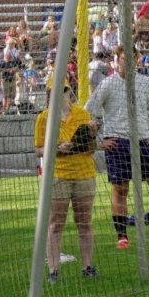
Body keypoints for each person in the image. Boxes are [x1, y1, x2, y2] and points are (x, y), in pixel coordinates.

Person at [85, 47, 149, 248]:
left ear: (137, 60)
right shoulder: (107, 84)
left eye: (131, 59)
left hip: (142, 140)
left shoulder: (145, 83)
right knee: (120, 188)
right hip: (117, 141)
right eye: (122, 59)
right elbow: (89, 113)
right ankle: (122, 237)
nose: (127, 63)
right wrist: (100, 140)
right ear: (116, 61)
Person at [34, 83, 98, 282]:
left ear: (69, 92)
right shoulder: (44, 117)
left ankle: (87, 266)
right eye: (54, 91)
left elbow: (92, 147)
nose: (60, 94)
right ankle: (53, 270)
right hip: (58, 174)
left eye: (63, 90)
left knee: (84, 223)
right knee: (55, 224)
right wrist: (57, 147)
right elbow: (38, 149)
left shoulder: (82, 114)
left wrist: (92, 134)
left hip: (84, 173)